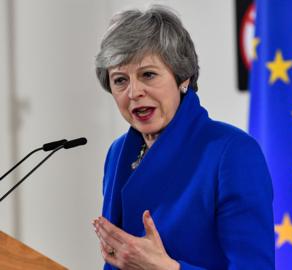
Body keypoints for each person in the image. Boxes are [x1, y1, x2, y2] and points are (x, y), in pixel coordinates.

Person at [91, 5, 274, 270]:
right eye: (120, 80)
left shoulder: (232, 152)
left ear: (183, 78)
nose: (134, 92)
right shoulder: (118, 152)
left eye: (148, 75)